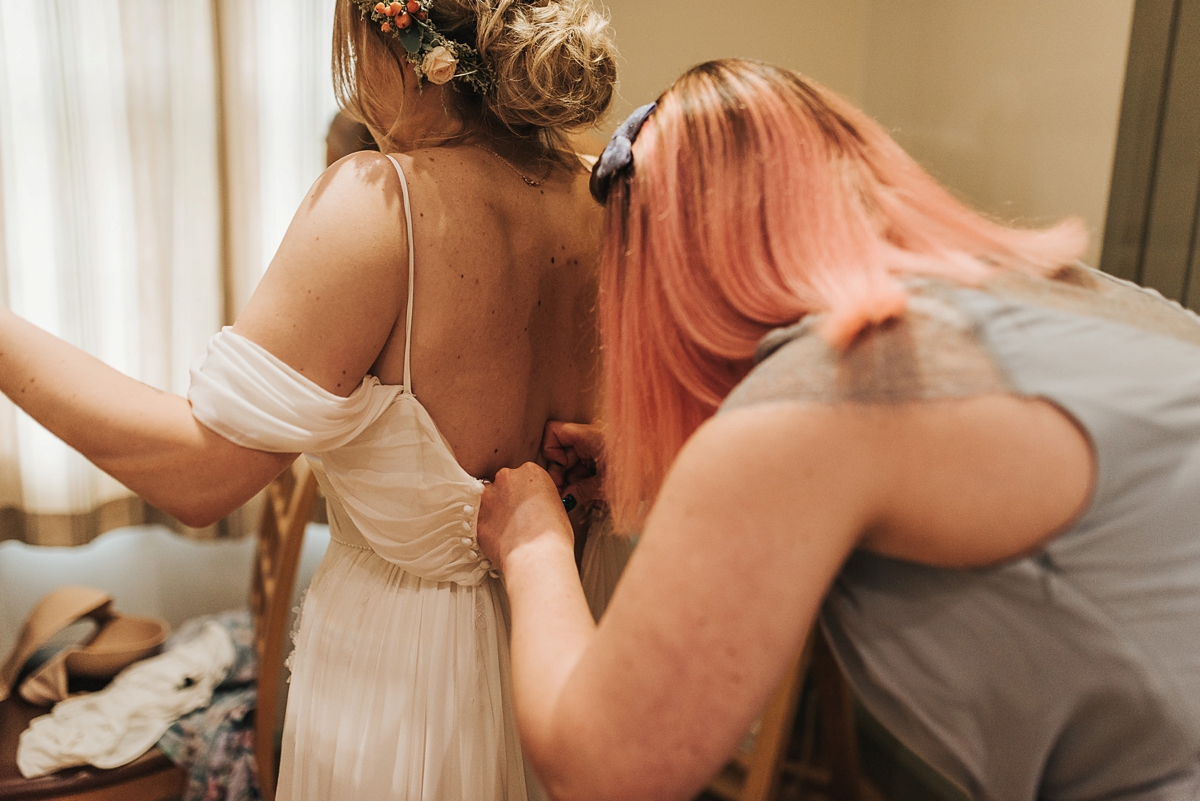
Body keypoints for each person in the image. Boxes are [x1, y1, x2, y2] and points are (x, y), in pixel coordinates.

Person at [476, 59, 1200, 801]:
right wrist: (674, 473)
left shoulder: (818, 400)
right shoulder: (1076, 295)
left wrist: (533, 542)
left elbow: (600, 766)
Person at [0, 1, 619, 799]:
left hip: (405, 693)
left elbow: (201, 473)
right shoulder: (605, 194)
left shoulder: (382, 201)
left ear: (384, 34)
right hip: (569, 649)